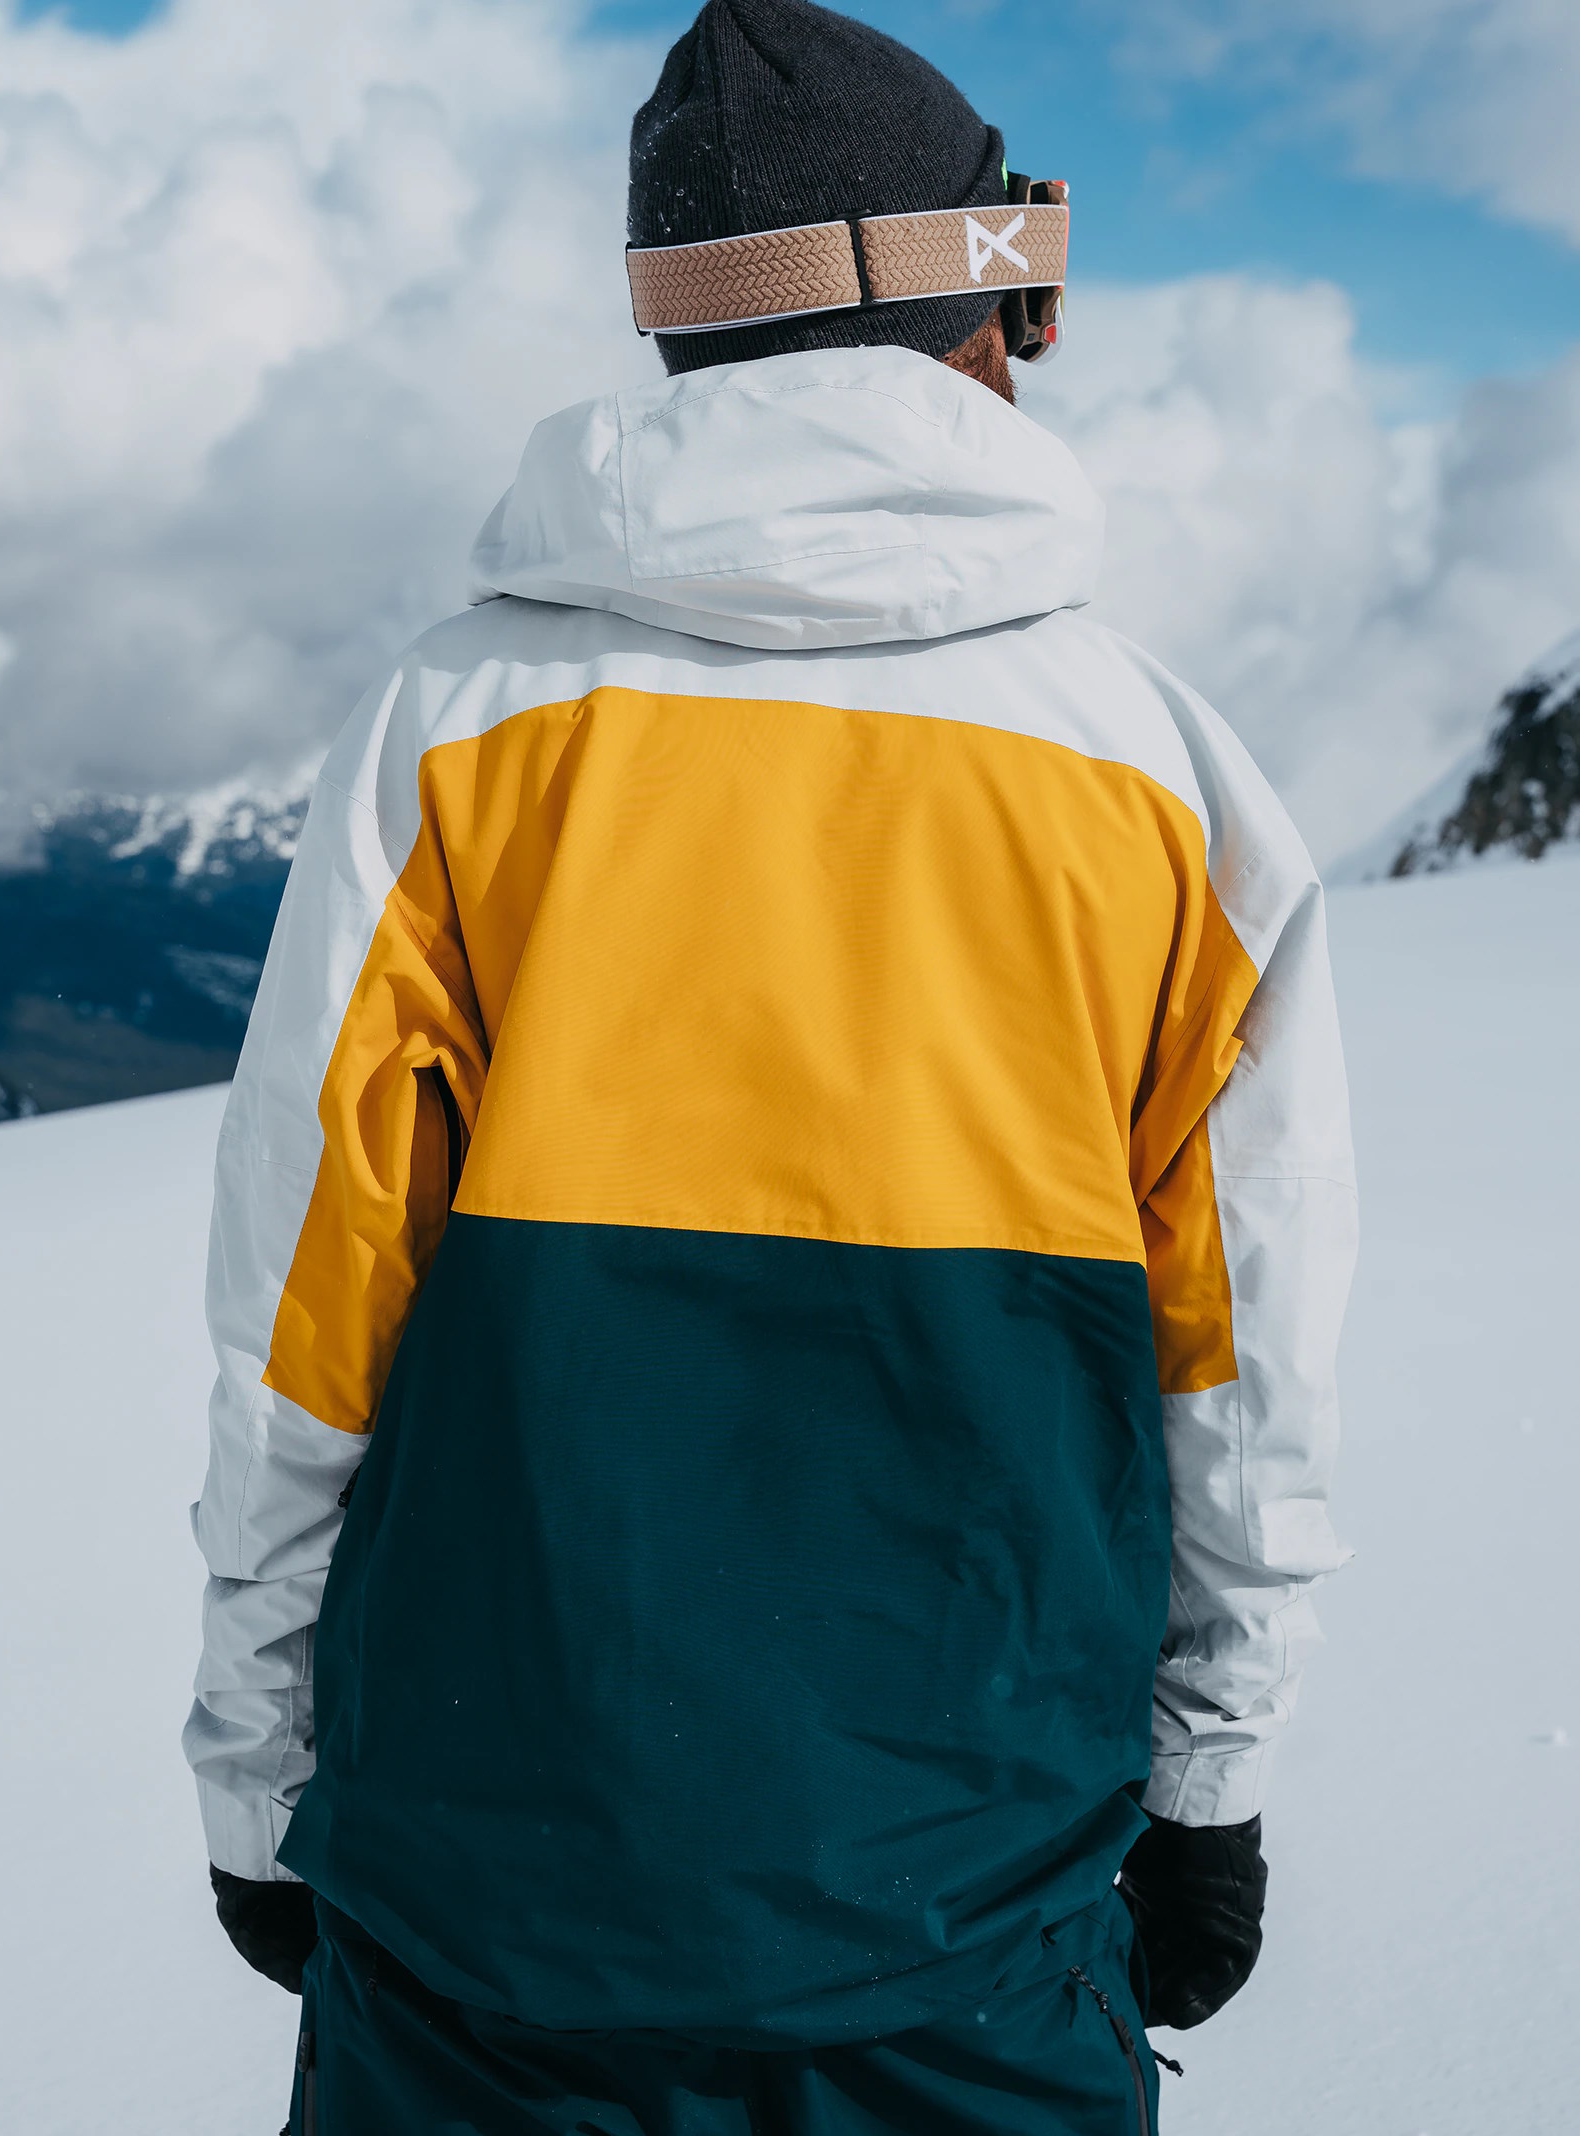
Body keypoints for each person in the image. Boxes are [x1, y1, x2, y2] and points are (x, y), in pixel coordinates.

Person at [185, 3, 1358, 2130]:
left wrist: (261, 1779)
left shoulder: (455, 730)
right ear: (982, 296)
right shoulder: (1160, 780)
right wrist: (1209, 1788)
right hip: (974, 1905)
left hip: (480, 1905)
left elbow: (304, 1321)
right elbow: (1243, 1369)